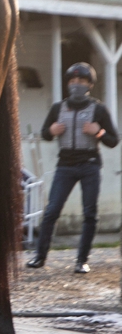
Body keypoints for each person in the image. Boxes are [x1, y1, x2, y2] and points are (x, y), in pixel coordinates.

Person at [28, 62, 118, 273]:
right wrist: (52, 130)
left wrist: (99, 132)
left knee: (89, 214)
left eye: (81, 81)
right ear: (68, 83)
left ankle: (82, 261)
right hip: (65, 166)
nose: (76, 84)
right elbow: (45, 134)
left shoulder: (98, 109)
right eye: (73, 81)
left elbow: (113, 140)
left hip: (90, 166)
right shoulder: (58, 108)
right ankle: (39, 257)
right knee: (51, 212)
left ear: (89, 84)